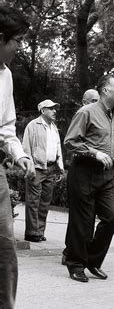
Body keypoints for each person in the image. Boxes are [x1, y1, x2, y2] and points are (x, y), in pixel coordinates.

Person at [63, 73, 114, 283]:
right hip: (84, 171)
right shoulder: (86, 112)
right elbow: (70, 141)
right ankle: (75, 264)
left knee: (112, 218)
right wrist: (94, 152)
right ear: (105, 90)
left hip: (106, 174)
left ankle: (91, 260)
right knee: (83, 223)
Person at [0, 5, 35, 309]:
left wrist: (19, 153)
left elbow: (6, 127)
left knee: (4, 248)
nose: (21, 47)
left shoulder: (6, 76)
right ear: (0, 38)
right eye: (18, 40)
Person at [22, 99, 64, 243]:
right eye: (51, 108)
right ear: (43, 110)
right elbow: (26, 148)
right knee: (33, 201)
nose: (55, 111)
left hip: (51, 168)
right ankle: (31, 233)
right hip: (37, 168)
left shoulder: (54, 127)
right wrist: (29, 165)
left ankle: (39, 231)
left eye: (55, 108)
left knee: (45, 202)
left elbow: (57, 148)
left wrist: (60, 168)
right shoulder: (33, 125)